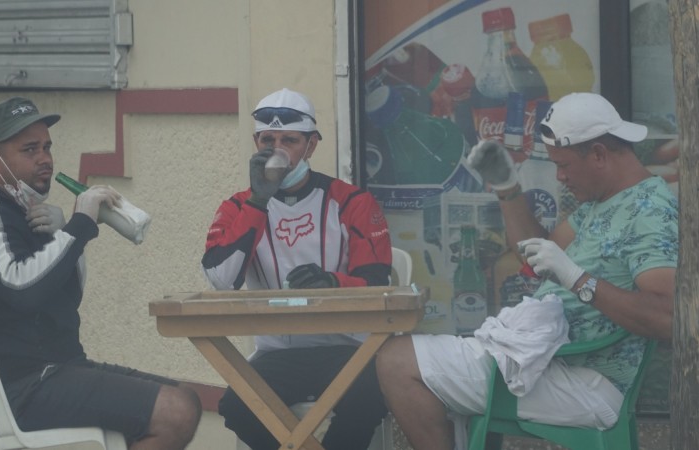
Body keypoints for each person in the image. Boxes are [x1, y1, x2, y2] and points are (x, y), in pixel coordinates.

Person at [375, 92, 678, 450]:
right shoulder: (604, 201)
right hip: (548, 365)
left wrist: (577, 280)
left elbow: (667, 317)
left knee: (396, 362)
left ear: (598, 154)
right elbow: (533, 254)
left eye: (564, 165)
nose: (560, 177)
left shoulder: (650, 211)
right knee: (413, 367)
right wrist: (508, 188)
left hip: (585, 383)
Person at [0, 97, 201, 449]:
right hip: (10, 389)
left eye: (47, 147)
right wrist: (78, 226)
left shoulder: (22, 208)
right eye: (30, 149)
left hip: (56, 369)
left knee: (186, 398)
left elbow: (67, 296)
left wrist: (62, 235)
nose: (44, 158)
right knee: (175, 412)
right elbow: (21, 289)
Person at [201, 88, 393, 449]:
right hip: (277, 353)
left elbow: (377, 284)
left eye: (289, 140)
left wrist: (332, 282)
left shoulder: (352, 200)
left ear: (311, 145)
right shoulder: (237, 206)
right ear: (256, 143)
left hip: (348, 349)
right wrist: (259, 200)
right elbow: (222, 282)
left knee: (369, 398)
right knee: (237, 407)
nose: (277, 149)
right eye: (267, 140)